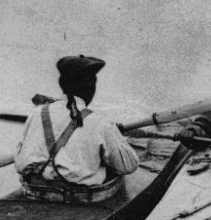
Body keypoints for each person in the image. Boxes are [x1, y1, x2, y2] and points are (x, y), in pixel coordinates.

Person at [14, 55, 139, 195]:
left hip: (36, 193)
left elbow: (20, 162)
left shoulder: (36, 114)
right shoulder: (101, 121)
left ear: (62, 85)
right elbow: (128, 166)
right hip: (81, 199)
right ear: (91, 86)